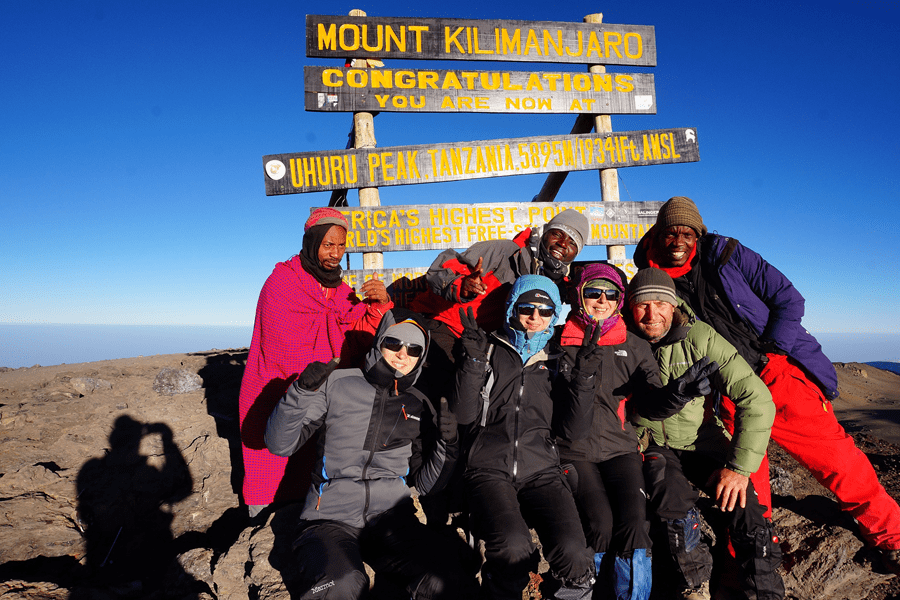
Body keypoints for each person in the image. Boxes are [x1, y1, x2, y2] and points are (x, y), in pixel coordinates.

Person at [633, 196, 900, 573]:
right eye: (670, 232)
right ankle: (759, 551)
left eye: (687, 232)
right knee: (746, 481)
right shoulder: (651, 277)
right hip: (722, 392)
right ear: (657, 235)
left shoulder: (727, 254)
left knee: (836, 460)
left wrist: (773, 353)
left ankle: (891, 536)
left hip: (776, 373)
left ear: (698, 234)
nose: (678, 240)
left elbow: (788, 299)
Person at [264, 309, 477, 599]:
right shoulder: (338, 384)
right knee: (341, 582)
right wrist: (299, 393)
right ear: (379, 343)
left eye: (414, 349)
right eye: (394, 344)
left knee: (447, 579)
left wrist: (447, 445)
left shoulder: (419, 403)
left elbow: (427, 485)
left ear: (421, 358)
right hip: (329, 521)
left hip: (392, 521)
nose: (403, 354)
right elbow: (279, 444)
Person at [555, 263, 719, 600]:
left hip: (621, 450)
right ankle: (594, 593)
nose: (601, 300)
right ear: (578, 295)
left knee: (636, 524)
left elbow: (647, 404)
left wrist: (678, 393)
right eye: (592, 292)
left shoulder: (633, 345)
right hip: (573, 452)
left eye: (610, 293)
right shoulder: (559, 342)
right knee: (599, 522)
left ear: (619, 300)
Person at [627, 268, 783, 600]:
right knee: (671, 504)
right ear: (629, 307)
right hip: (650, 443)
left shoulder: (700, 338)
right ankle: (693, 588)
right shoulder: (623, 341)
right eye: (642, 304)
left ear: (673, 306)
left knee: (745, 506)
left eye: (660, 303)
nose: (652, 314)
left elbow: (756, 398)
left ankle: (765, 592)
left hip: (701, 441)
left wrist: (739, 470)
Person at [238, 207, 392, 518]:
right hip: (279, 390)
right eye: (327, 245)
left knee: (313, 469)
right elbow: (279, 350)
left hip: (322, 395)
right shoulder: (281, 283)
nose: (335, 253)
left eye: (341, 245)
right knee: (272, 458)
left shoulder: (341, 291)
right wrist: (320, 373)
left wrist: (379, 305)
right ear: (311, 242)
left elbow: (358, 335)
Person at [451, 274, 597, 600]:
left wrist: (585, 379)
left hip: (542, 470)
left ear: (555, 314)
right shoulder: (487, 348)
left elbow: (573, 431)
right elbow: (463, 415)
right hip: (488, 468)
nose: (535, 317)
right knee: (514, 547)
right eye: (526, 308)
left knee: (574, 552)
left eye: (545, 311)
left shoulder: (557, 358)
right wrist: (473, 362)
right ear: (511, 309)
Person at [411, 208, 590, 360]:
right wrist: (460, 285)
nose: (562, 243)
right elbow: (443, 268)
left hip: (488, 341)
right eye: (557, 234)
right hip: (446, 325)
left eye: (572, 242)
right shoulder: (505, 251)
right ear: (545, 233)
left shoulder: (557, 284)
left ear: (576, 253)